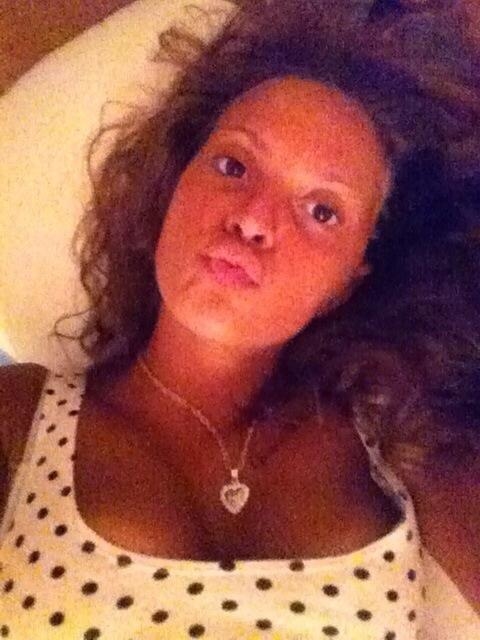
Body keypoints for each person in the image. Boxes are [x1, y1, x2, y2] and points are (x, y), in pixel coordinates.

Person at [1, 1, 480, 638]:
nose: (253, 219)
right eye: (234, 166)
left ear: (347, 281)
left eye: (321, 210)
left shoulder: (399, 438)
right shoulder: (19, 417)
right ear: (172, 188)